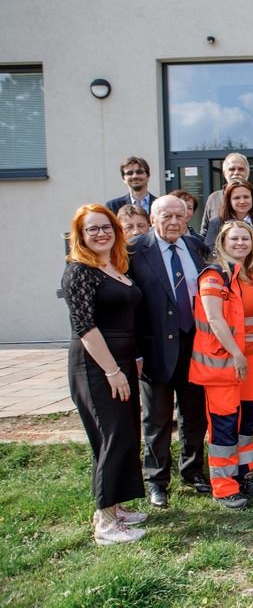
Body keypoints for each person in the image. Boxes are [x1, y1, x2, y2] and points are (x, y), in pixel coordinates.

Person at [62, 204, 147, 545]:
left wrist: (132, 360)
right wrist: (111, 370)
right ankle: (105, 524)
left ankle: (117, 506)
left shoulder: (116, 267)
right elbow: (85, 326)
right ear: (80, 236)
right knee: (110, 436)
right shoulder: (79, 271)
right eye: (92, 229)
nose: (100, 234)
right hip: (96, 364)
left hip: (123, 361)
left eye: (106, 227)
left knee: (126, 433)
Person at [127, 195, 212, 508]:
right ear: (153, 219)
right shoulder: (134, 251)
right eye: (167, 217)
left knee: (194, 414)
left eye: (180, 216)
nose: (174, 222)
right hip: (154, 348)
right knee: (157, 419)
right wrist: (134, 351)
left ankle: (192, 471)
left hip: (194, 345)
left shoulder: (196, 247)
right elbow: (129, 307)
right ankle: (157, 481)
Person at [190, 221, 253, 509]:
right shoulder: (214, 277)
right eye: (234, 239)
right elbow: (214, 319)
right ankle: (224, 487)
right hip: (224, 364)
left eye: (246, 238)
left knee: (247, 422)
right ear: (222, 243)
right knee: (225, 425)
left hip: (251, 362)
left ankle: (244, 474)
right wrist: (236, 354)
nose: (240, 243)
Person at [200, 152, 253, 236]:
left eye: (241, 169)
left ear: (248, 172)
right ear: (224, 172)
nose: (236, 172)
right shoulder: (213, 198)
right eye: (232, 169)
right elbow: (205, 232)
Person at [203, 180, 253, 250]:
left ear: (252, 199)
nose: (242, 201)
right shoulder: (216, 223)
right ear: (229, 201)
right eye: (236, 198)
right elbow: (209, 252)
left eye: (246, 197)